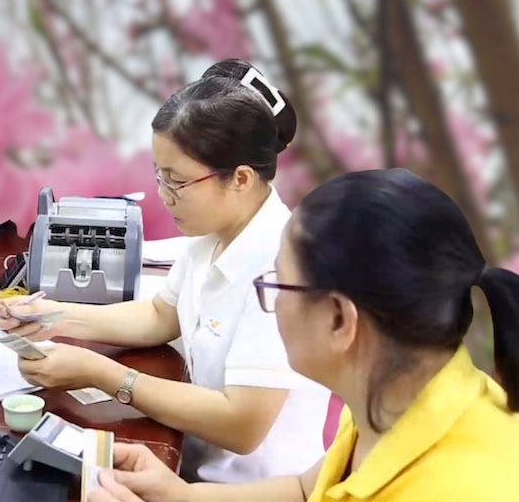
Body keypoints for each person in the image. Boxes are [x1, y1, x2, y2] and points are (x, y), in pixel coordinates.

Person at [86, 168, 519, 502]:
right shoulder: (398, 390)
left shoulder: (452, 484)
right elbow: (305, 489)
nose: (267, 300)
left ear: (338, 319)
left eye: (278, 284)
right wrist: (179, 494)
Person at [0, 60, 331, 483]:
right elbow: (160, 315)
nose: (164, 196)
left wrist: (101, 372)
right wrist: (49, 317)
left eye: (176, 181)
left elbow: (242, 425)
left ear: (241, 179)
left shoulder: (279, 270)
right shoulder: (212, 232)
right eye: (159, 175)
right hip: (188, 469)